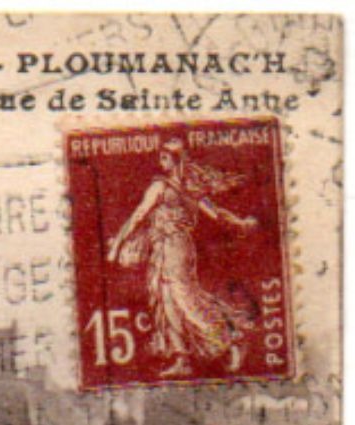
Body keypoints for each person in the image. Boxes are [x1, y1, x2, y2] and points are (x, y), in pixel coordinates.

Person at [106, 138, 260, 377]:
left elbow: (138, 216)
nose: (161, 162)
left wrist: (117, 245)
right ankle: (182, 358)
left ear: (176, 160)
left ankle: (232, 339)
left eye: (165, 158)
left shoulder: (166, 188)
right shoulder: (189, 189)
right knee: (166, 302)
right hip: (165, 248)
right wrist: (240, 222)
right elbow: (217, 214)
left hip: (174, 248)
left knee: (185, 298)